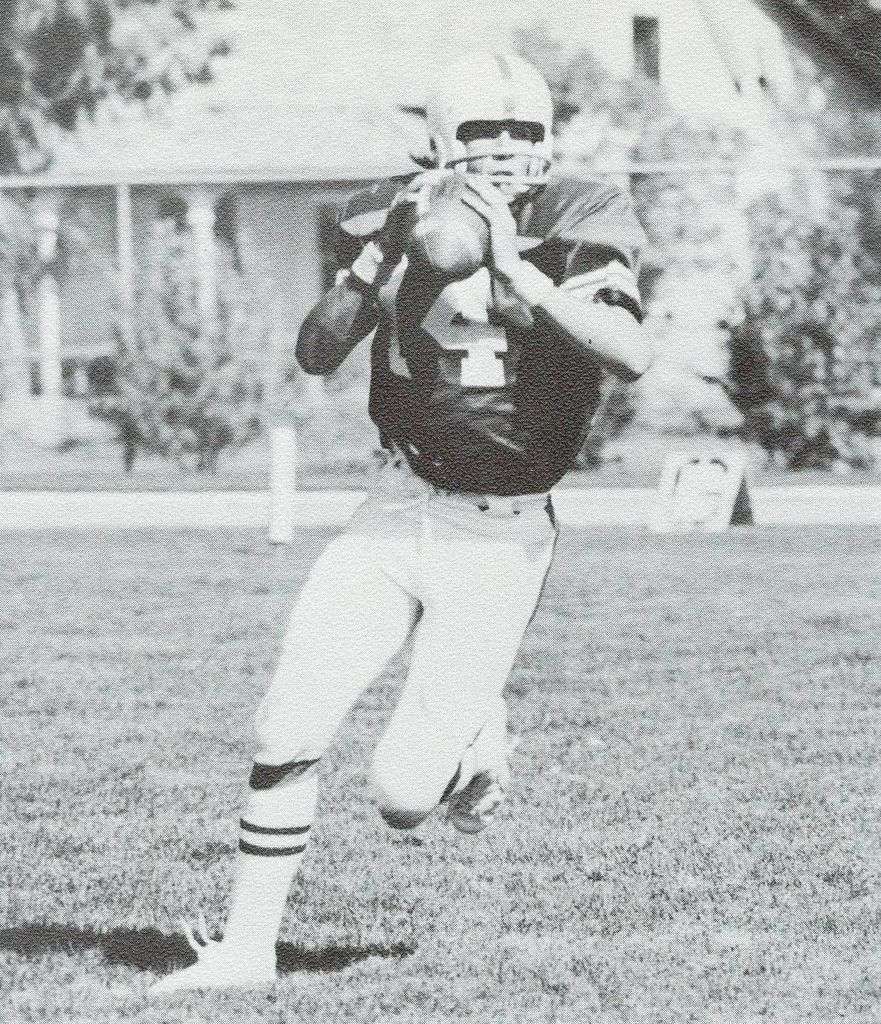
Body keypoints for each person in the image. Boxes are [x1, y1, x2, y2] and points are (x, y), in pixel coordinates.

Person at [151, 48, 654, 995]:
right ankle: (247, 951)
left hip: (501, 531)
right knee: (284, 723)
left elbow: (630, 351)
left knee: (401, 798)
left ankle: (473, 733)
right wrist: (380, 253)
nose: (505, 153)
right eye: (482, 134)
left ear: (550, 144)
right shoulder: (384, 208)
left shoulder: (583, 213)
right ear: (438, 143)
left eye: (523, 134)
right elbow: (316, 352)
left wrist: (519, 271)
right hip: (394, 503)